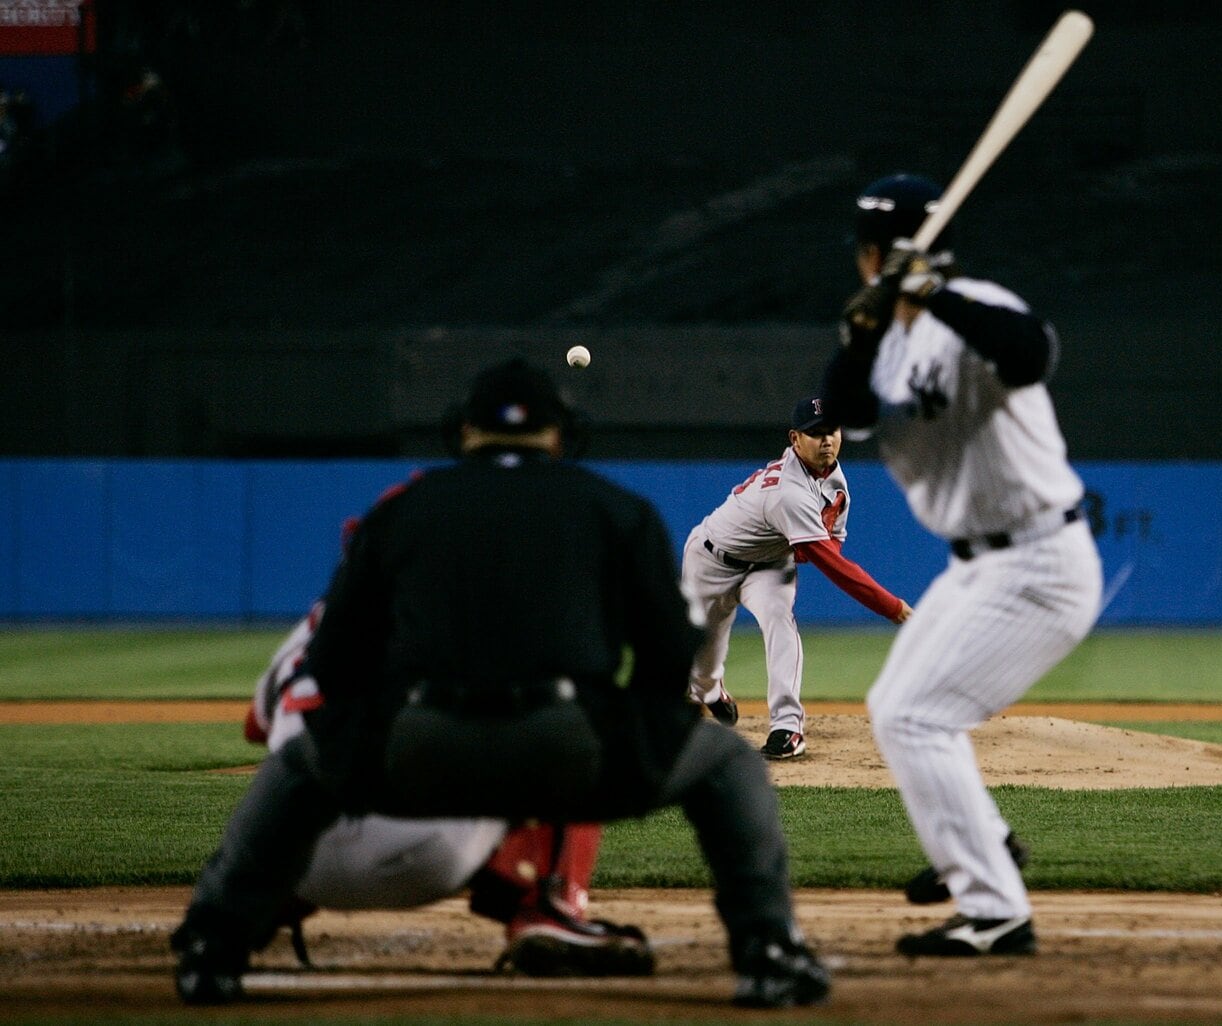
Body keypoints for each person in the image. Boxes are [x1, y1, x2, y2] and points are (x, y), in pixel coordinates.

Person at [171, 357, 830, 1009]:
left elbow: (334, 661)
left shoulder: (405, 509)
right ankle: (767, 952)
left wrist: (359, 747)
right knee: (727, 765)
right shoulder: (613, 506)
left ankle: (211, 944)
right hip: (567, 750)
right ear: (556, 434)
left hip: (421, 749)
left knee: (297, 766)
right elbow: (668, 652)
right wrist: (633, 735)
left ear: (464, 433)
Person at [820, 174, 1102, 956]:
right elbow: (843, 409)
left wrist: (934, 293)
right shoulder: (885, 341)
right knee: (895, 706)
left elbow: (1032, 352)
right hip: (978, 567)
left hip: (1039, 560)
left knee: (917, 716)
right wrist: (865, 329)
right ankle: (990, 847)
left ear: (871, 253)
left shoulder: (974, 304)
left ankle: (995, 909)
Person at [244, 597, 653, 977]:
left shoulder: (322, 617)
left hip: (294, 860)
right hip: (430, 850)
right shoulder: (478, 603)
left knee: (297, 769)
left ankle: (250, 904)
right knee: (576, 720)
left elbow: (256, 726)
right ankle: (547, 908)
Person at [682, 398, 912, 759]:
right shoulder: (788, 492)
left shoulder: (834, 480)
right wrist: (893, 607)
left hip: (769, 565)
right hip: (711, 560)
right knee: (704, 655)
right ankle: (709, 691)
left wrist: (805, 544)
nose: (826, 440)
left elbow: (832, 542)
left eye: (832, 431)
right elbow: (835, 568)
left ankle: (787, 726)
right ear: (794, 438)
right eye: (815, 433)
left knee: (779, 621)